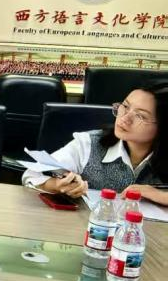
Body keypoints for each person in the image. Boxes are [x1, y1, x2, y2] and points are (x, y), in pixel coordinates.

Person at [23, 83, 168, 204]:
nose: (124, 118)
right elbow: (32, 175)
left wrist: (160, 195)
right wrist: (57, 185)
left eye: (140, 116)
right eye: (125, 106)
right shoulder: (88, 143)